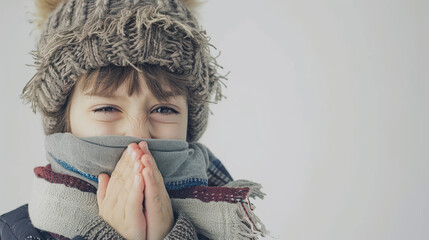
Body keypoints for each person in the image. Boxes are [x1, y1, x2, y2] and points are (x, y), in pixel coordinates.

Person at [0, 0, 267, 239]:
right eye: (106, 108)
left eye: (163, 110)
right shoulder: (11, 232)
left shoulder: (227, 229)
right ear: (64, 119)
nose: (139, 135)